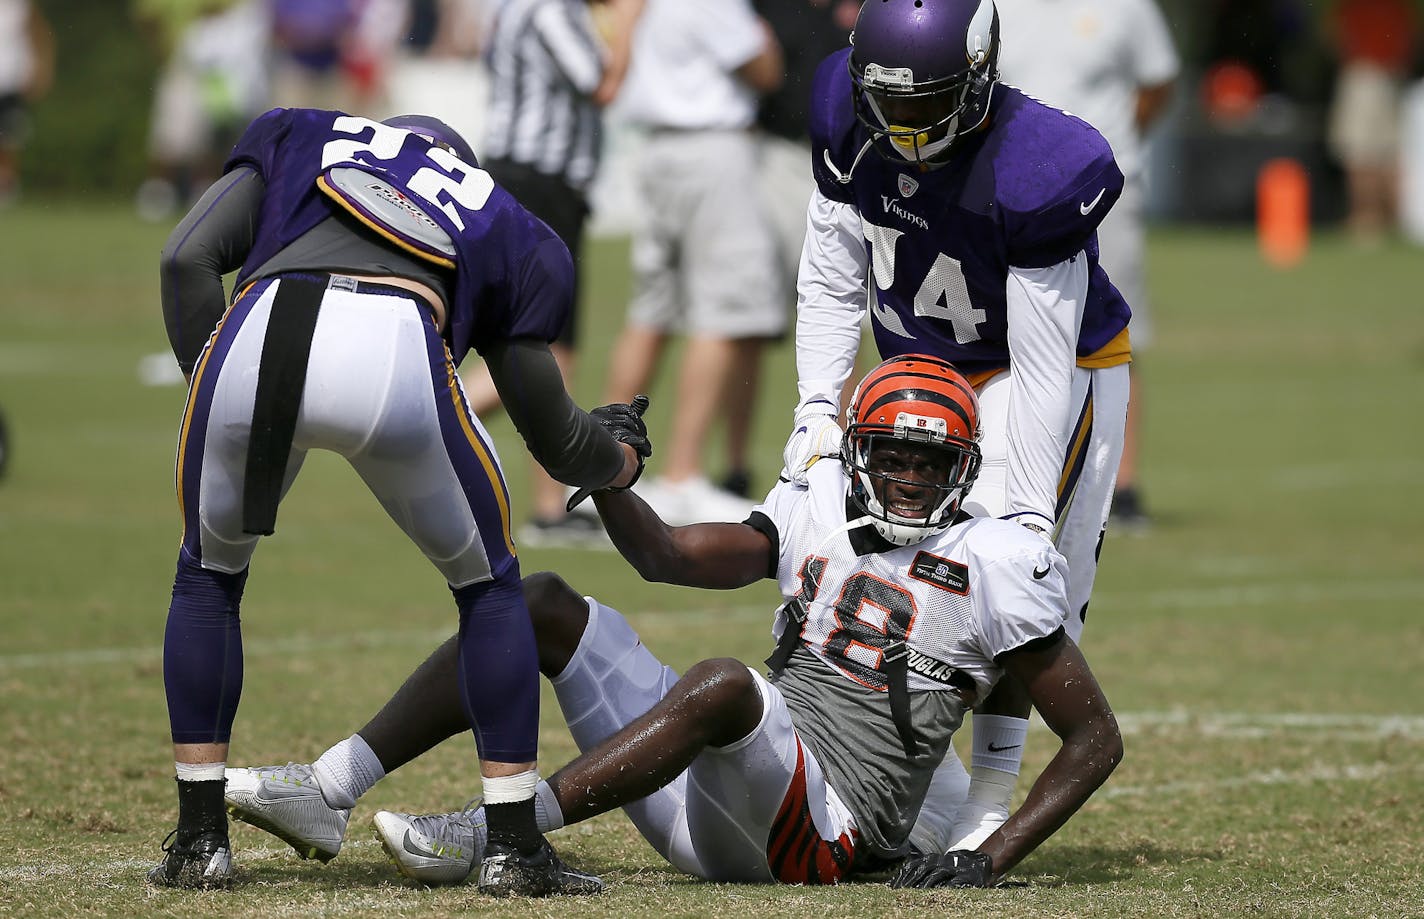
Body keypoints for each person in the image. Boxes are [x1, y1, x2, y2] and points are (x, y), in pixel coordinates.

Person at [220, 355, 1122, 889]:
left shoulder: (996, 564)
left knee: (730, 682)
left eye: (930, 461)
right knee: (538, 605)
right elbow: (670, 557)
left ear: (962, 469)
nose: (911, 478)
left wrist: (989, 855)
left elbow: (1093, 739)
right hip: (707, 781)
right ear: (859, 454)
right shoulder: (821, 508)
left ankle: (506, 831)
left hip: (823, 829)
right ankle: (329, 785)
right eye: (893, 457)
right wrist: (612, 478)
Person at [146, 107, 649, 896]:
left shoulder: (300, 135)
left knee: (208, 574)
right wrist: (617, 460)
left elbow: (185, 258)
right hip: (396, 344)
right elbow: (550, 433)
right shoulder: (504, 216)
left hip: (256, 333)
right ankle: (513, 845)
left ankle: (198, 839)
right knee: (489, 589)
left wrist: (226, 401)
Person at [779, 0, 1131, 855]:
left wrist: (1029, 516)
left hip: (1033, 368)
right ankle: (858, 754)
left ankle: (992, 793)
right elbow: (831, 276)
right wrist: (816, 410)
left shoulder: (1040, 162)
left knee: (1009, 575)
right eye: (886, 104)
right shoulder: (840, 107)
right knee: (843, 533)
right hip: (914, 368)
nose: (902, 129)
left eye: (924, 103)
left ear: (978, 76)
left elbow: (1045, 362)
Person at [457, 0, 645, 549]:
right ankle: (546, 504)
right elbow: (601, 84)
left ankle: (439, 427)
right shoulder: (548, 10)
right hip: (540, 186)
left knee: (535, 345)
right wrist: (629, 23)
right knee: (550, 348)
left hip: (528, 185)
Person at [594, 0, 783, 525]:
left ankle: (600, 462)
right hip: (710, 151)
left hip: (657, 151)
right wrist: (765, 39)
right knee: (720, 314)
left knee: (650, 313)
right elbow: (764, 69)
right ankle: (682, 474)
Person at [994, 0, 1179, 527]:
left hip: (1104, 193)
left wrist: (1104, 152)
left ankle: (1122, 486)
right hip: (1013, 194)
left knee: (1116, 333)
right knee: (1004, 333)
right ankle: (1008, 478)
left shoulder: (1128, 7)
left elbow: (1158, 82)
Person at [1327, 0, 1418, 243]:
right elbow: (1410, 40)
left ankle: (1367, 220)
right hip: (1392, 75)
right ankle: (1392, 219)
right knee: (1386, 152)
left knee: (1361, 153)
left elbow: (1337, 37)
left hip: (1363, 74)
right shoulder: (1397, 5)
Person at [0, 0, 52, 206]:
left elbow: (40, 36)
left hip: (11, 79)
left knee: (9, 135)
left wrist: (41, 69)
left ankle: (6, 186)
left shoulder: (21, 6)